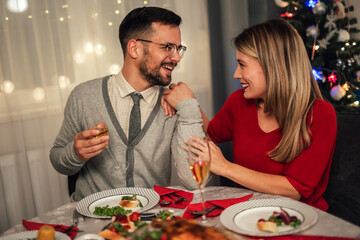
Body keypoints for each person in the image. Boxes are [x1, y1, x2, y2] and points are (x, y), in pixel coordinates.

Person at [164, 19, 337, 211]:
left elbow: (294, 190)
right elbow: (211, 133)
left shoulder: (320, 115)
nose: (236, 74)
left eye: (242, 64)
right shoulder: (239, 102)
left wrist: (225, 168)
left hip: (298, 219)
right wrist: (187, 101)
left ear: (273, 66)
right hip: (248, 214)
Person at [50, 6, 203, 201]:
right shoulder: (84, 95)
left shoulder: (174, 103)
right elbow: (58, 160)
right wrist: (75, 153)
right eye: (168, 47)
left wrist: (189, 107)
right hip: (93, 220)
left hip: (149, 221)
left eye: (179, 48)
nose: (176, 57)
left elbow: (194, 181)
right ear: (134, 48)